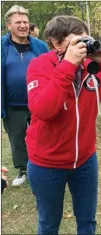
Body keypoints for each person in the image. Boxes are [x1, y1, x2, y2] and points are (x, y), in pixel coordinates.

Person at [26, 15, 101, 234]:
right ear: (56, 43)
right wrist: (67, 66)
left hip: (84, 161)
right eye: (76, 42)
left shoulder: (91, 67)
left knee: (87, 222)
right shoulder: (39, 66)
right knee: (49, 224)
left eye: (85, 40)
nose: (83, 47)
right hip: (47, 164)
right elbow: (43, 110)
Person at [1, 5, 49, 186]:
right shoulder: (2, 46)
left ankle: (45, 166)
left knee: (44, 136)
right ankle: (23, 169)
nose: (23, 25)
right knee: (17, 138)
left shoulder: (39, 45)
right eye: (18, 22)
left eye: (25, 22)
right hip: (13, 104)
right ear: (8, 25)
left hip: (40, 102)